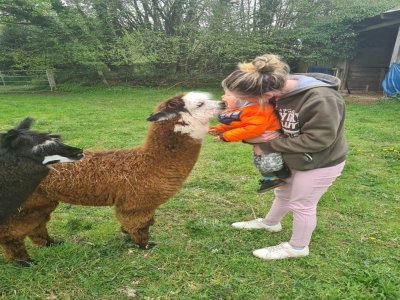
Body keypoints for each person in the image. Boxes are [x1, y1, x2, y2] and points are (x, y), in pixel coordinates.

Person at [223, 54, 348, 260]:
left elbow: (319, 140)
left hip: (320, 161)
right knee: (283, 193)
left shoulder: (321, 98)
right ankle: (271, 223)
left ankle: (298, 248)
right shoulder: (276, 90)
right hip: (295, 156)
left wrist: (267, 144)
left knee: (302, 204)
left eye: (248, 99)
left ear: (268, 93)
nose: (247, 104)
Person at [209, 88, 291, 192]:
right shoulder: (245, 111)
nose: (222, 97)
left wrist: (225, 136)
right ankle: (270, 179)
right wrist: (218, 129)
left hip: (272, 141)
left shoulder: (259, 110)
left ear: (243, 99)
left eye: (227, 95)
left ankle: (282, 172)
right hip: (261, 142)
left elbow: (252, 129)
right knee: (257, 162)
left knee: (269, 165)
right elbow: (235, 124)